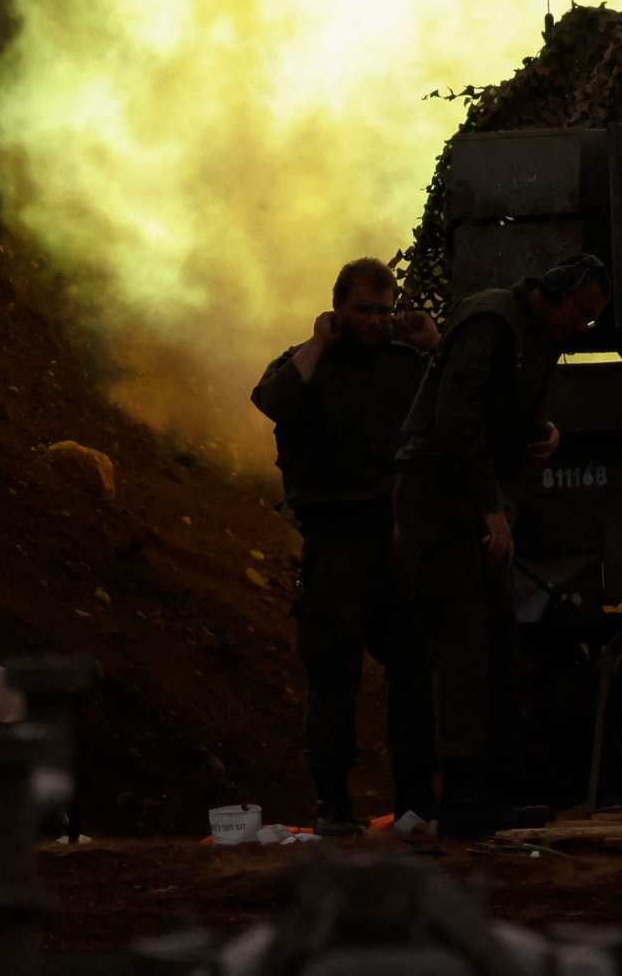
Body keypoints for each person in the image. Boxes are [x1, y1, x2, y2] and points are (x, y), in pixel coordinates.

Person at [393, 251, 610, 838]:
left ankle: (487, 790)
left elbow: (501, 414)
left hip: (471, 501)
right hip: (442, 502)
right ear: (559, 295)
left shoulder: (529, 336)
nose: (582, 329)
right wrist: (491, 511)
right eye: (581, 315)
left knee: (492, 643)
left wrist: (543, 435)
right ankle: (462, 800)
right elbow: (456, 422)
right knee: (463, 645)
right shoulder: (493, 322)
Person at [249, 258, 440, 836]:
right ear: (338, 307)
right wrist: (318, 342)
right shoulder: (307, 364)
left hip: (394, 538)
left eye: (384, 310)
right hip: (334, 540)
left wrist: (434, 346)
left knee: (413, 674)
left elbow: (460, 402)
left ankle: (415, 805)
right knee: (333, 677)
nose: (376, 321)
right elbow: (269, 400)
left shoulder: (407, 364)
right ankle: (333, 805)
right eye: (363, 309)